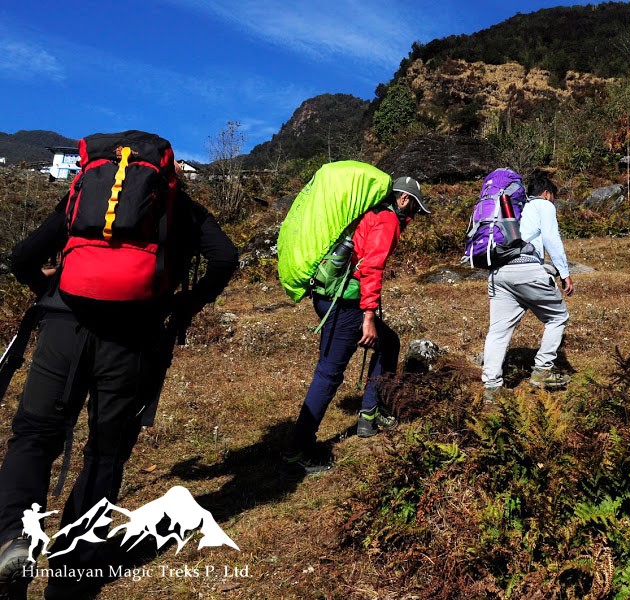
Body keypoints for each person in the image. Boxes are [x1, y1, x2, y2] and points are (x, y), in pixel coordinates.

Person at [0, 156, 238, 600]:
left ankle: (13, 538)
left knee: (33, 438)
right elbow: (225, 258)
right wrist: (187, 303)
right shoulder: (181, 208)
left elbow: (21, 257)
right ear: (168, 175)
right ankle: (74, 566)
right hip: (134, 337)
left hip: (63, 326)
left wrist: (50, 290)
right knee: (105, 452)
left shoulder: (83, 198)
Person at [284, 176, 429, 475]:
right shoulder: (387, 220)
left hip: (333, 297)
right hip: (346, 304)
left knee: (389, 343)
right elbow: (371, 268)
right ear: (403, 199)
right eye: (413, 207)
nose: (413, 217)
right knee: (328, 374)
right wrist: (368, 317)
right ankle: (299, 451)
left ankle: (368, 415)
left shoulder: (369, 212)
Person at [482, 172, 573, 398]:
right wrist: (564, 273)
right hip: (527, 269)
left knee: (498, 331)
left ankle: (491, 388)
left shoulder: (513, 209)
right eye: (553, 197)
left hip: (499, 272)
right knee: (557, 317)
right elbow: (552, 237)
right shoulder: (543, 205)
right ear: (545, 193)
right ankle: (542, 370)